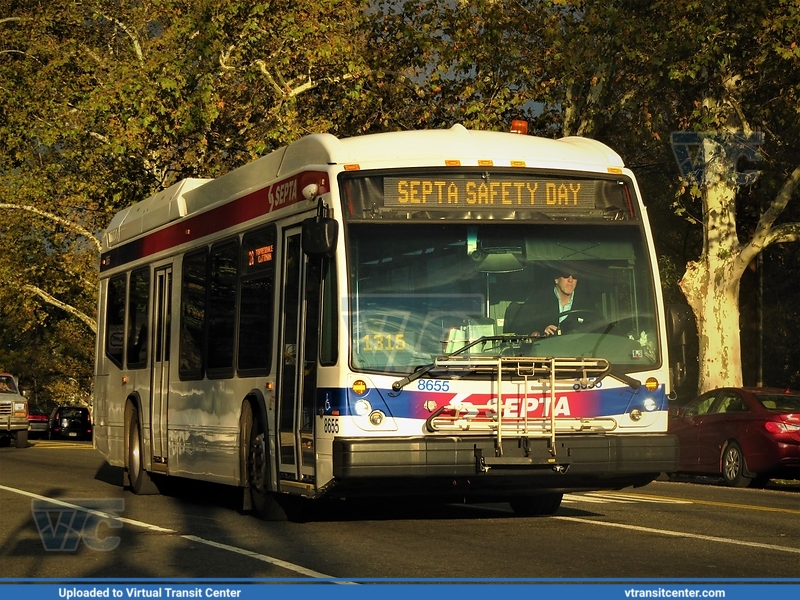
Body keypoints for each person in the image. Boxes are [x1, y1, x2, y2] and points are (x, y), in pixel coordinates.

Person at [506, 269, 594, 337]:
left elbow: (599, 328)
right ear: (556, 279)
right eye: (566, 275)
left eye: (575, 276)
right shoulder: (537, 299)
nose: (570, 280)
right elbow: (519, 327)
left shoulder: (586, 304)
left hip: (578, 355)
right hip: (544, 355)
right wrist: (538, 332)